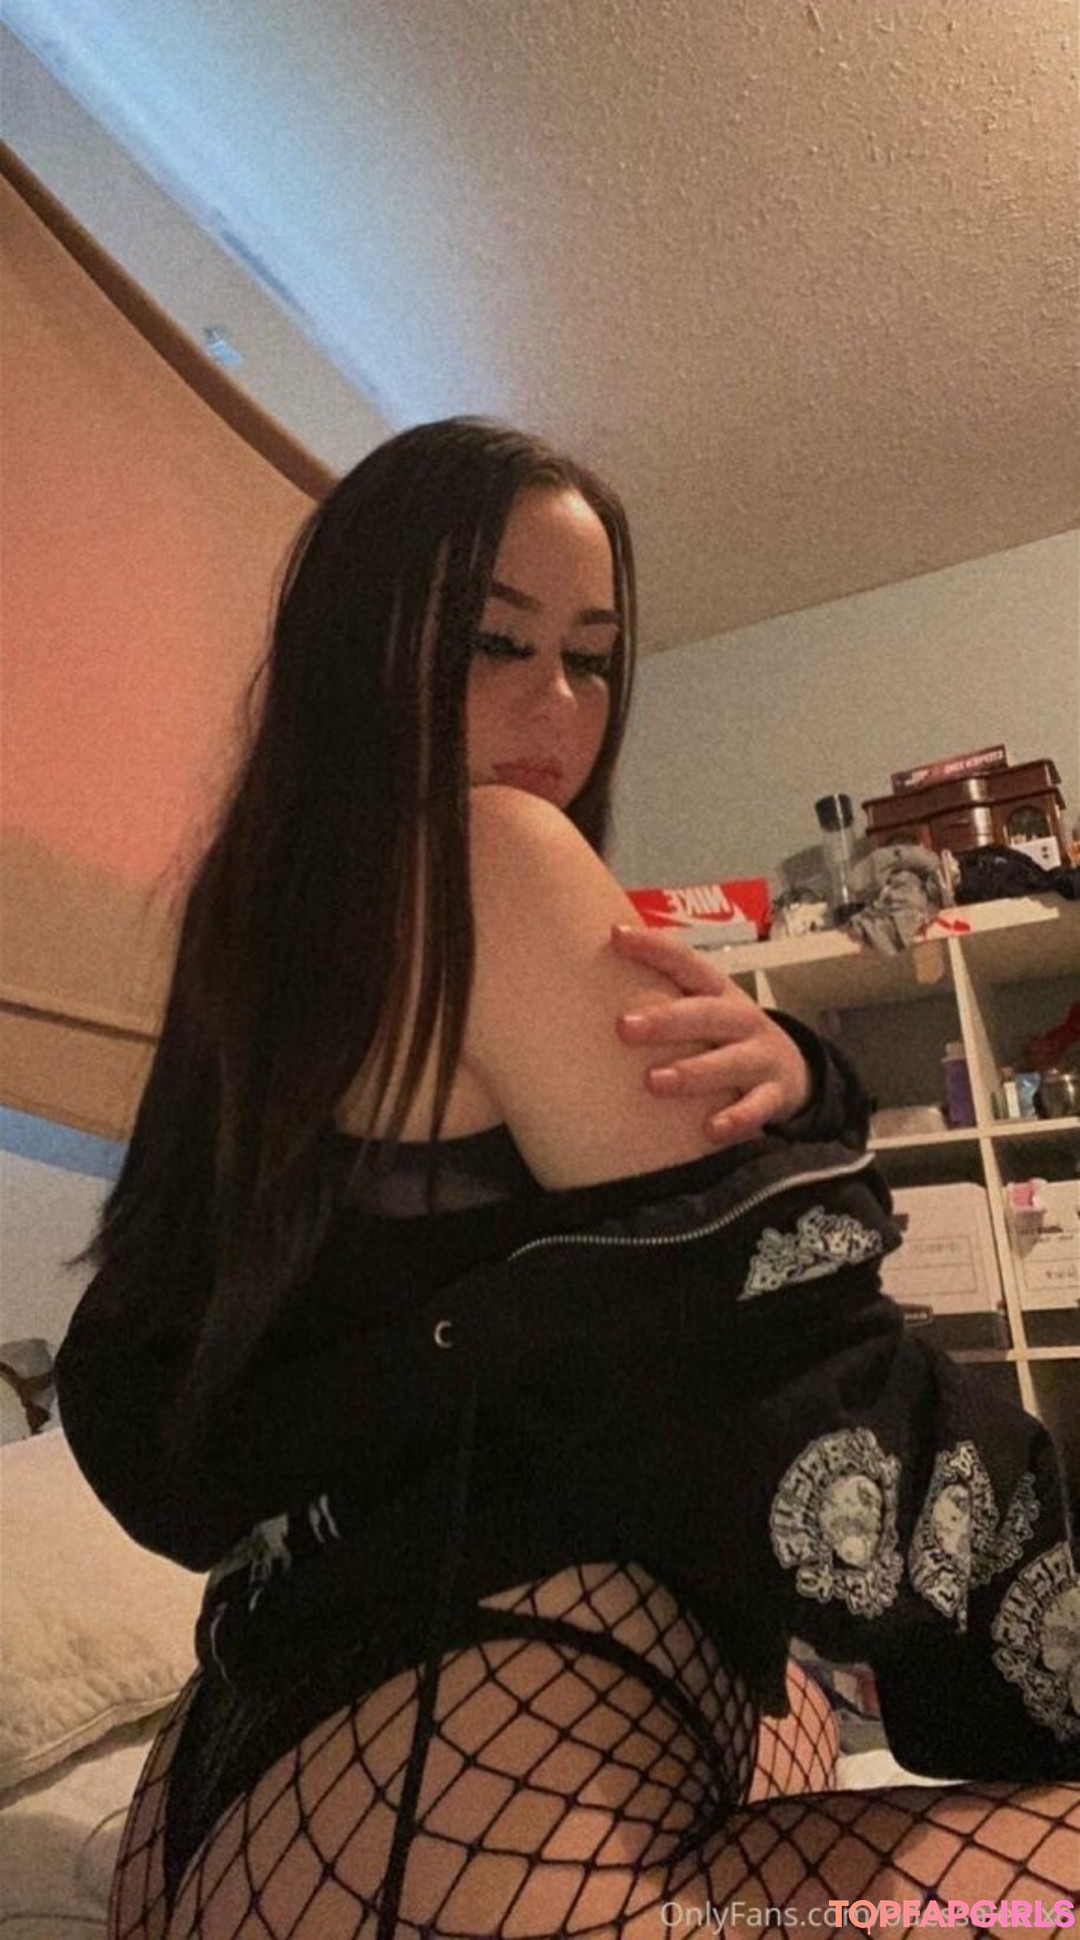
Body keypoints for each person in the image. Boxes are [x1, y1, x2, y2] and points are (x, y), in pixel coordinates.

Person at [56, 419, 1077, 1940]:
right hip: (446, 1805)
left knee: (792, 1689)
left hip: (245, 1802)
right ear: (362, 647)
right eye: (493, 642)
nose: (557, 706)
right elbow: (806, 1374)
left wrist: (803, 1076)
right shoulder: (489, 852)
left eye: (592, 659)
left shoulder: (268, 945)